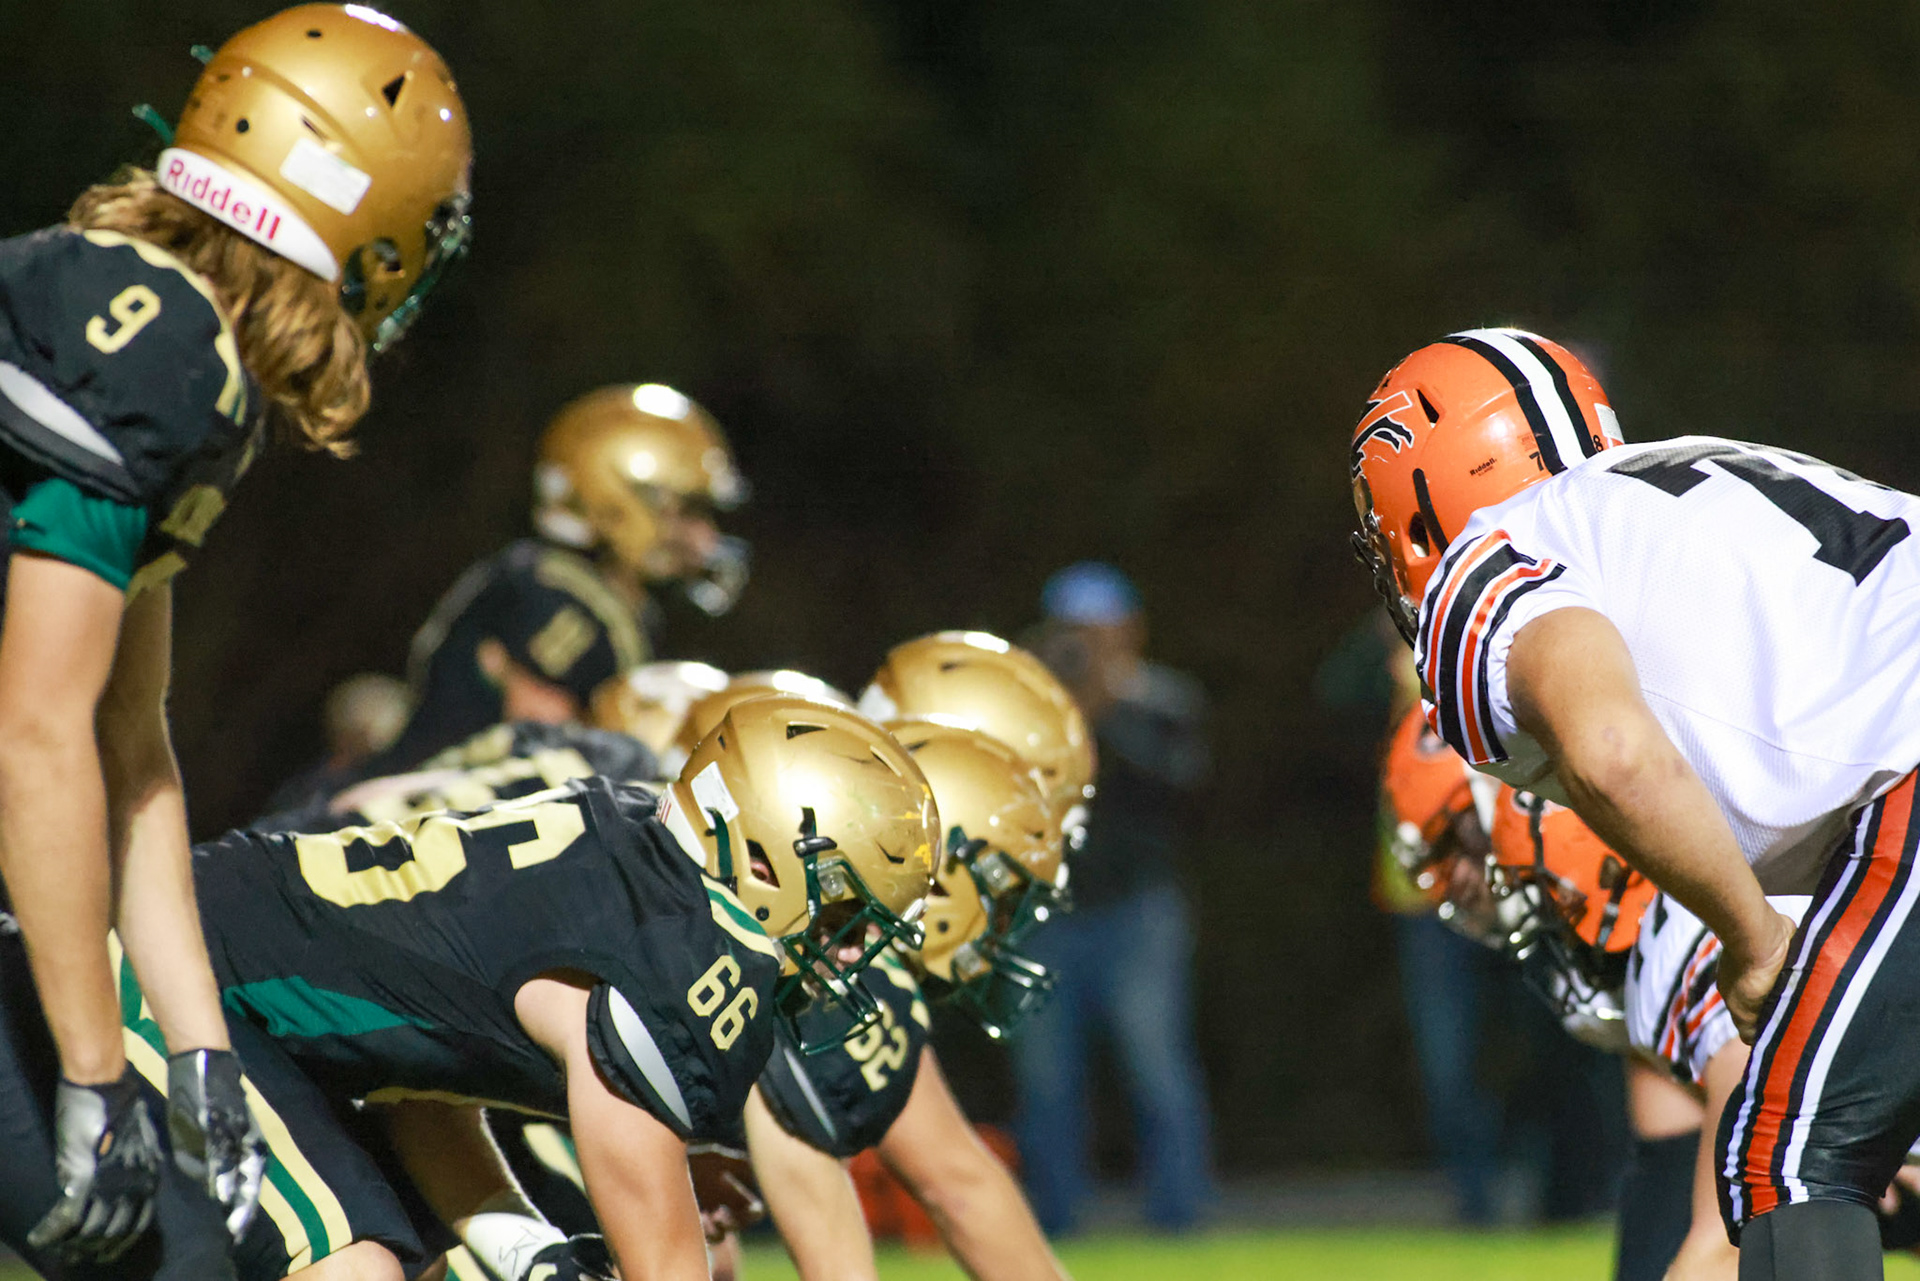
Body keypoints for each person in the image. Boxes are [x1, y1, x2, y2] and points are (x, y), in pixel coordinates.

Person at [0, 3, 471, 1263]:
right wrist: (97, 1070)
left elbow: (131, 743)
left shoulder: (137, 312)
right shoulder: (161, 353)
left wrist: (196, 1045)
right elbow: (38, 732)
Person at [0, 695, 936, 1281]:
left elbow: (419, 1054)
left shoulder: (634, 851)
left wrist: (520, 1246)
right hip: (177, 968)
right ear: (767, 856)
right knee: (354, 1270)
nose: (848, 953)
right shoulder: (684, 964)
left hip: (245, 982)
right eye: (846, 914)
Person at [1349, 326, 1920, 1277]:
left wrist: (1752, 939)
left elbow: (1613, 753)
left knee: (1790, 1161)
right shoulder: (1676, 480)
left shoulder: (1492, 560)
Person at [1003, 565, 1215, 1234]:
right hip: (1045, 913)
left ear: (1130, 630)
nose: (1086, 645)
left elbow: (1183, 794)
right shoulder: (1021, 713)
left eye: (1099, 631)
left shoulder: (1162, 700)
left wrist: (1103, 711)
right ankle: (1054, 1224)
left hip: (1137, 911)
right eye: (1073, 633)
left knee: (1158, 1069)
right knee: (1046, 1083)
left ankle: (1180, 1219)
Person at [383, 384, 748, 768]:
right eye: (690, 512)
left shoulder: (606, 602)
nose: (706, 536)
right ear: (624, 500)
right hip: (415, 808)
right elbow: (533, 755)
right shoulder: (560, 600)